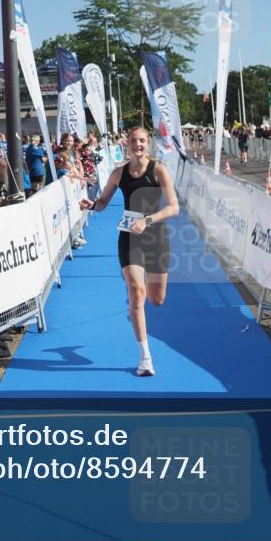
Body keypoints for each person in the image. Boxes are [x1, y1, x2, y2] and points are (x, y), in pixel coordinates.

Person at [79, 126, 179, 377]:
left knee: (157, 299)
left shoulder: (158, 170)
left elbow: (173, 207)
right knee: (136, 292)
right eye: (133, 140)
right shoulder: (119, 173)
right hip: (129, 237)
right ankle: (145, 358)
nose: (138, 145)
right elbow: (102, 203)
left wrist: (147, 220)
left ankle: (145, 349)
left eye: (142, 140)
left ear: (148, 143)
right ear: (127, 144)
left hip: (156, 238)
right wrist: (92, 204)